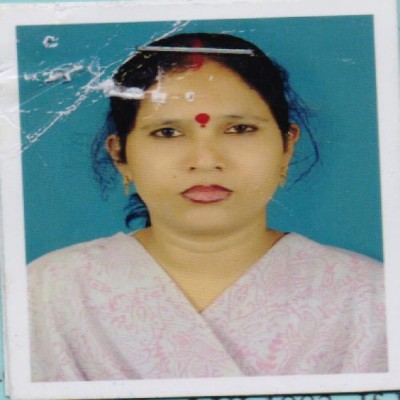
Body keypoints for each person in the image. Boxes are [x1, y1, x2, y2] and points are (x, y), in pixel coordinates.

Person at [28, 33, 387, 382]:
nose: (205, 161)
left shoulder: (371, 296)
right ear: (120, 155)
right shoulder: (49, 291)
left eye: (240, 129)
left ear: (286, 147)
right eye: (168, 132)